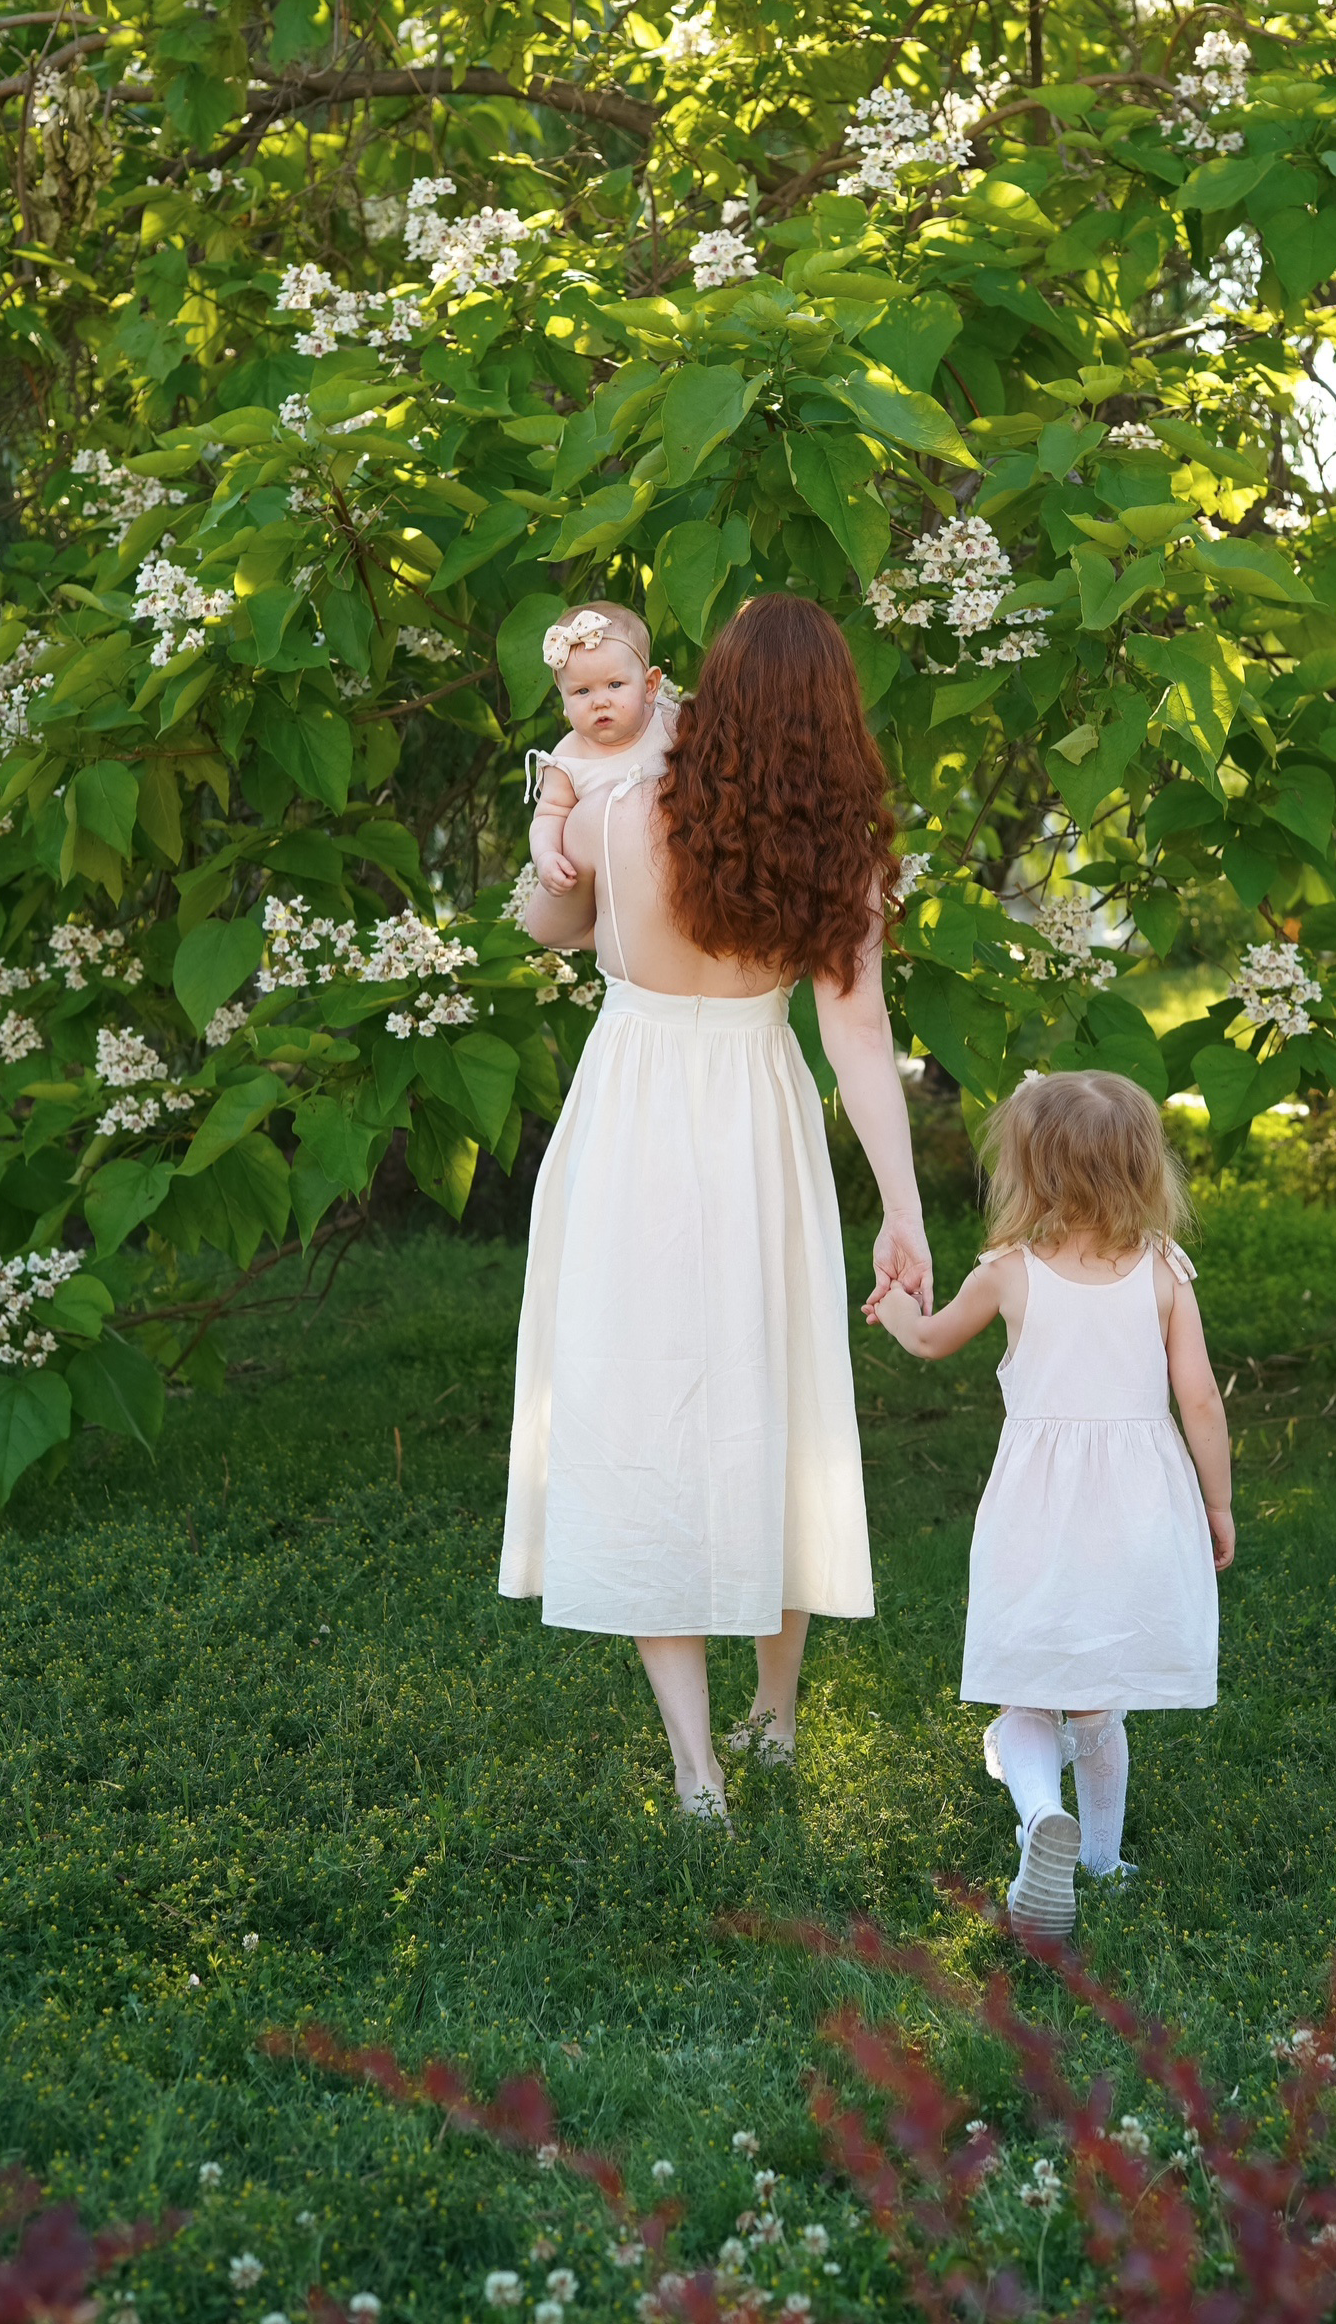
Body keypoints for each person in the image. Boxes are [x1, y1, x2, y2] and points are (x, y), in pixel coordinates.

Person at [500, 594, 933, 1817]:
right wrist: (901, 1209)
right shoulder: (836, 848)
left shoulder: (620, 808)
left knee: (641, 1407)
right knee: (769, 1392)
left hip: (632, 1109)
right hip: (756, 1112)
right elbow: (856, 1035)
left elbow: (545, 927)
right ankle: (775, 1718)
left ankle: (697, 1772)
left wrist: (551, 852)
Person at [868, 1069, 1232, 1937]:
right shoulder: (1164, 1271)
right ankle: (1102, 1863)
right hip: (1139, 1510)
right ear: (1143, 1167)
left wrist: (890, 1310)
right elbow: (1204, 1401)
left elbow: (929, 1340)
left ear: (1029, 1171)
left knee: (1028, 1693)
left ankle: (1040, 1823)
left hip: (1037, 1511)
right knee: (1099, 1701)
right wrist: (1217, 1505)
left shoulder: (1007, 1273)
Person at [527, 602, 678, 894]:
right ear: (564, 702)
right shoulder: (567, 761)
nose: (599, 701)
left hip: (684, 865)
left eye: (615, 684)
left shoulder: (670, 722)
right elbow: (548, 816)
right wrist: (546, 856)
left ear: (649, 686)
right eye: (582, 691)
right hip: (617, 888)